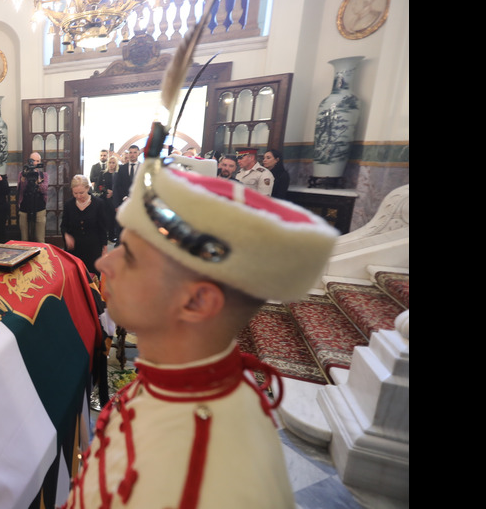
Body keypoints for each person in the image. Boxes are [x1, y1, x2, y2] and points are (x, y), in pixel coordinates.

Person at [65, 157, 339, 508]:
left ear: (197, 302)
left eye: (129, 256)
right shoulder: (172, 380)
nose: (104, 263)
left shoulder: (207, 481)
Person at [60, 175, 109, 276]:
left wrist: (104, 249)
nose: (78, 196)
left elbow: (102, 228)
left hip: (93, 249)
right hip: (74, 250)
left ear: (88, 188)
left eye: (81, 193)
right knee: (74, 279)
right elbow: (63, 225)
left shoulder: (98, 204)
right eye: (75, 193)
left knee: (92, 280)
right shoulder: (69, 205)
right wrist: (66, 235)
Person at [18, 151, 48, 242]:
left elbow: (44, 190)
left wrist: (39, 182)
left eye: (38, 161)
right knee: (25, 239)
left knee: (40, 239)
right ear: (29, 162)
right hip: (25, 208)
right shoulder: (22, 174)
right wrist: (23, 178)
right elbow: (20, 190)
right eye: (34, 161)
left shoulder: (44, 175)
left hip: (39, 208)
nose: (36, 163)